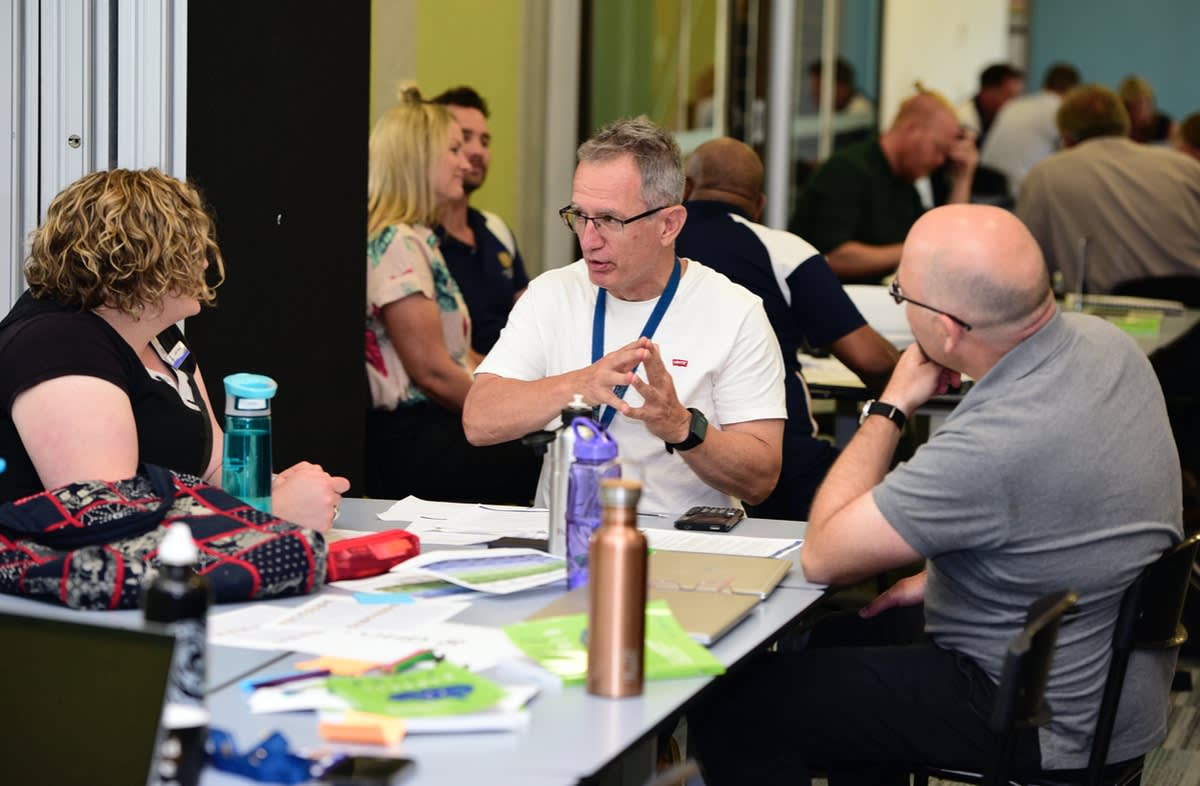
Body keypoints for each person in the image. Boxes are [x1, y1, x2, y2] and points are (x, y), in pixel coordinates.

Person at [692, 204, 1183, 785]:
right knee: (825, 646)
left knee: (735, 707)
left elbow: (823, 553)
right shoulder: (1108, 346)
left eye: (902, 295)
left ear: (945, 328)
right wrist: (942, 579)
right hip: (1104, 683)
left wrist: (891, 403)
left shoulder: (990, 443)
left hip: (1037, 715)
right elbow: (1083, 509)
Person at [463, 116, 787, 515]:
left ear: (669, 224)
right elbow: (479, 420)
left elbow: (761, 479)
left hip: (684, 544)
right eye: (580, 216)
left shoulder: (736, 312)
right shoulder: (552, 293)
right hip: (565, 539)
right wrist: (580, 384)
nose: (588, 239)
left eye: (610, 221)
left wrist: (682, 427)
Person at [0, 169, 348, 530]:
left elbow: (214, 469)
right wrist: (270, 514)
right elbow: (108, 523)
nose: (204, 263)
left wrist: (277, 490)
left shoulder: (160, 337)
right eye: (190, 250)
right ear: (139, 262)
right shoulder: (58, 348)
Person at [677, 137, 898, 519]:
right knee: (878, 490)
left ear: (685, 189)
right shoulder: (783, 251)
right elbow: (872, 360)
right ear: (759, 204)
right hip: (779, 472)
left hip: (672, 462)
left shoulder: (652, 246)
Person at [365, 86, 540, 504]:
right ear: (420, 157)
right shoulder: (395, 243)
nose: (467, 163)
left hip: (440, 422)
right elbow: (432, 371)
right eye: (454, 150)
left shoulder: (418, 239)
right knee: (538, 462)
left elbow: (460, 355)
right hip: (415, 436)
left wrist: (525, 393)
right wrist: (512, 417)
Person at [1016, 84, 1200, 294]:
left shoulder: (1045, 176)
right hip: (1194, 311)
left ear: (1066, 138)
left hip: (1109, 317)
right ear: (1126, 127)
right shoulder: (1187, 168)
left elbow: (1027, 266)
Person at [790, 90, 979, 285]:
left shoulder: (904, 183)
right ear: (913, 130)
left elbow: (944, 240)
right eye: (938, 149)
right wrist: (916, 250)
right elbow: (835, 257)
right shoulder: (848, 170)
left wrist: (962, 179)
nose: (940, 161)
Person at [430, 86, 530, 359]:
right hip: (467, 389)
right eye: (463, 139)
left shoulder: (495, 229)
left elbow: (532, 320)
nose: (476, 151)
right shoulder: (416, 240)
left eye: (485, 141)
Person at [980, 62, 1081, 197]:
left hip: (983, 184)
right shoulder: (1061, 111)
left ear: (1045, 85)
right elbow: (1077, 156)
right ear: (1073, 90)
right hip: (1015, 194)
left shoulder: (1014, 104)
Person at [955, 62, 1024, 150]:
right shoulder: (960, 119)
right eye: (1009, 96)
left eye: (1017, 97)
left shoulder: (1004, 118)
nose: (1014, 104)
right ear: (987, 91)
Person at [1118, 75, 1174, 145]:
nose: (1143, 112)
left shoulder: (1163, 124)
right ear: (1125, 108)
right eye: (1136, 107)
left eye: (1147, 105)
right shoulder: (1117, 128)